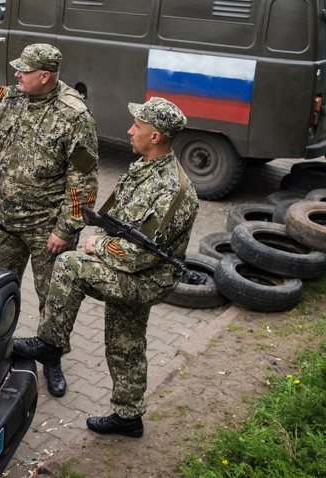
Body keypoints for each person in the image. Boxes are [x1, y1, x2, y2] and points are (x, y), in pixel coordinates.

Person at [13, 97, 199, 438]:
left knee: (69, 265)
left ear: (155, 136)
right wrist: (102, 233)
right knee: (125, 341)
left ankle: (50, 343)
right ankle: (128, 417)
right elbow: (118, 221)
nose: (129, 131)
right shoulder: (145, 167)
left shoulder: (173, 191)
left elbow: (141, 255)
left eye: (137, 126)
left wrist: (96, 245)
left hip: (145, 280)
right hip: (130, 270)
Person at [0, 43, 99, 323]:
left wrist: (65, 229)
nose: (17, 74)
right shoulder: (10, 99)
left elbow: (84, 183)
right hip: (6, 220)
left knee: (54, 301)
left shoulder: (74, 116)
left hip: (47, 228)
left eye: (24, 71)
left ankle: (50, 348)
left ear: (44, 76)